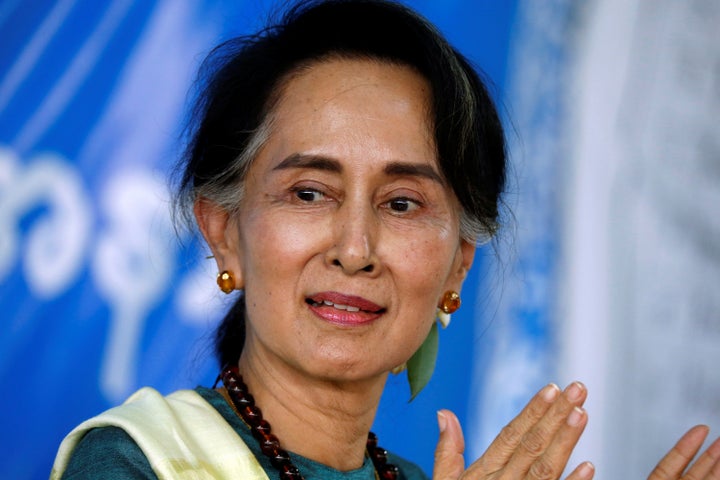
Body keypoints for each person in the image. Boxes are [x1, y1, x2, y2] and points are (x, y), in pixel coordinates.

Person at [51, 1, 720, 479]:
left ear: (458, 267)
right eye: (310, 192)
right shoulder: (133, 459)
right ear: (224, 233)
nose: (355, 248)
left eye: (402, 203)